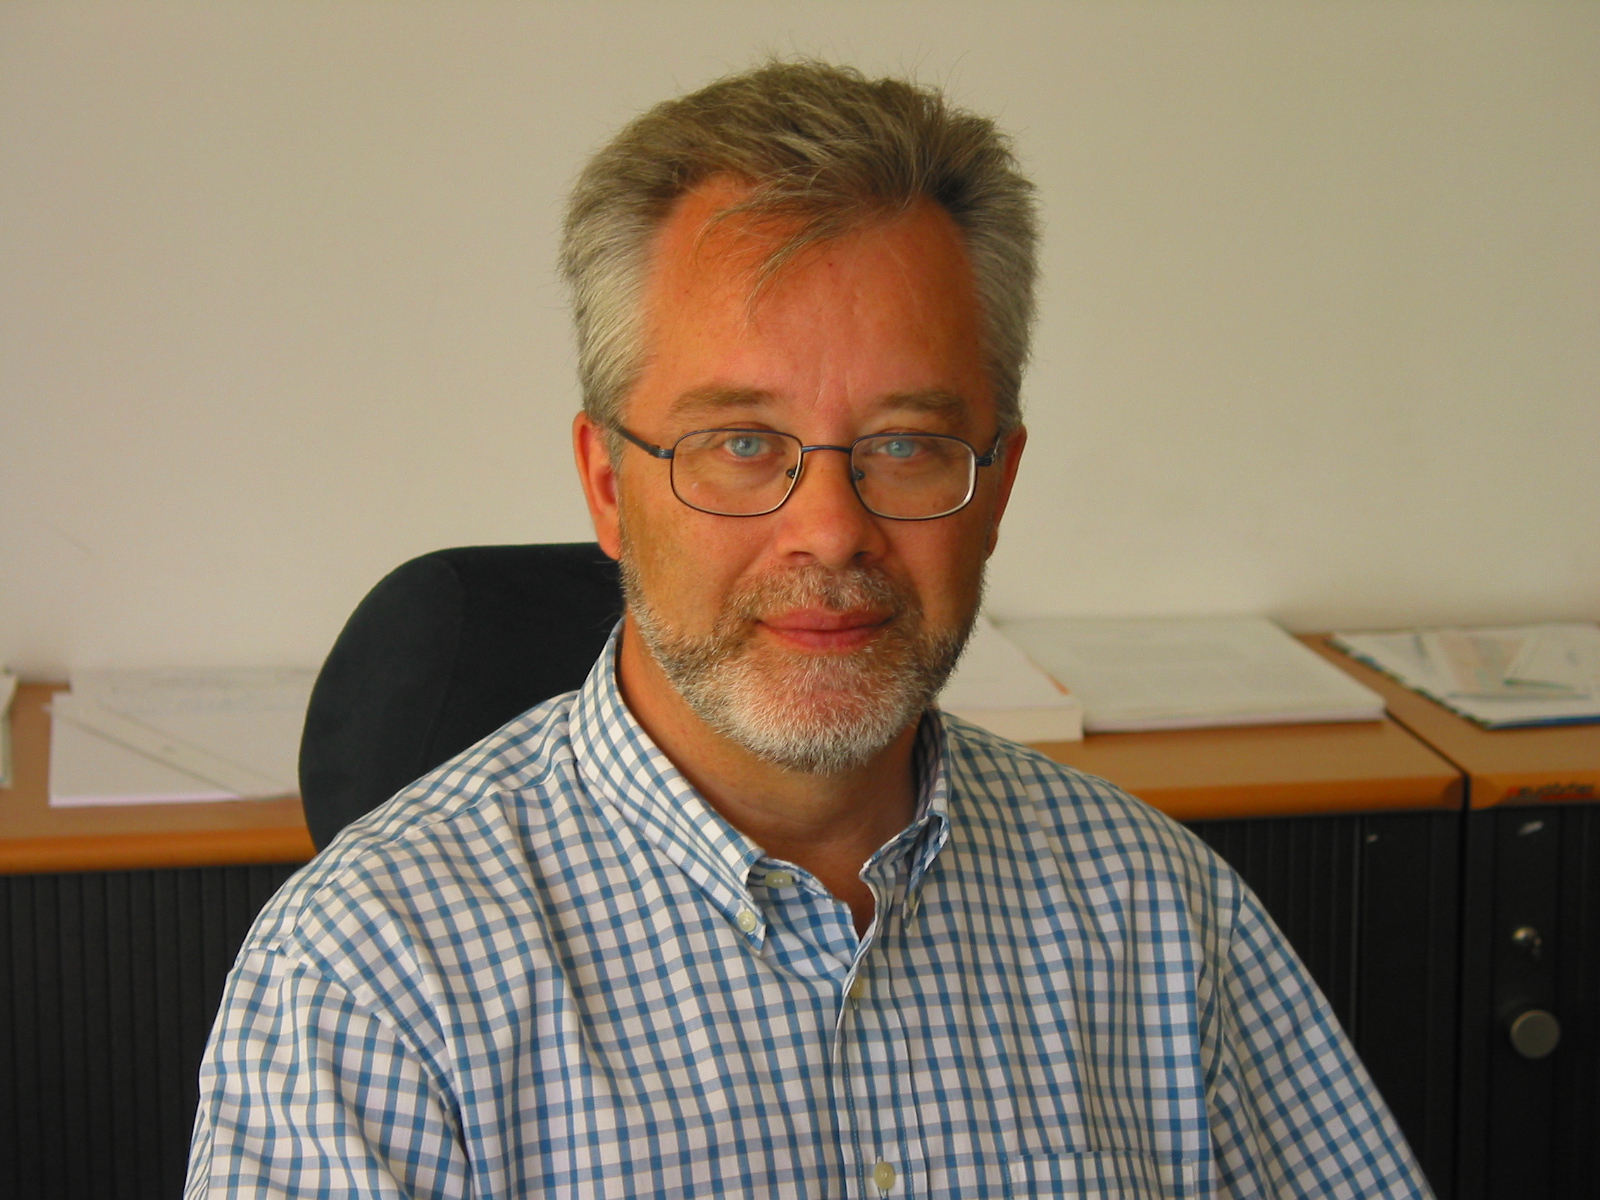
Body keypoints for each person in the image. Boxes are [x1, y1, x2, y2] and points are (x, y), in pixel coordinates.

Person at [186, 61, 1431, 1199]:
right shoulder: (368, 976)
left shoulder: (1160, 916)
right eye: (740, 442)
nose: (830, 532)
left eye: (906, 444)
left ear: (995, 488)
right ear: (608, 485)